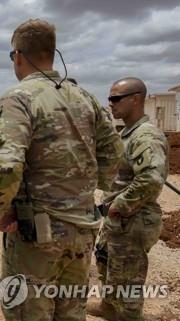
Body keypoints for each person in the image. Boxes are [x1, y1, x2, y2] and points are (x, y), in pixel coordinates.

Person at [0, 19, 123, 320]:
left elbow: (6, 167)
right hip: (83, 231)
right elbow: (114, 156)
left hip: (38, 237)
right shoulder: (86, 99)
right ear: (51, 53)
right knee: (71, 312)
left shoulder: (18, 99)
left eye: (12, 56)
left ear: (19, 55)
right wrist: (82, 190)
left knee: (28, 311)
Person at [89, 77, 169, 321]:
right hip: (119, 218)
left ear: (135, 100)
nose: (110, 104)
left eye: (115, 98)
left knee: (128, 280)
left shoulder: (146, 136)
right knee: (109, 264)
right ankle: (109, 307)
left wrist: (119, 206)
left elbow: (151, 180)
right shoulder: (127, 133)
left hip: (133, 219)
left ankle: (128, 316)